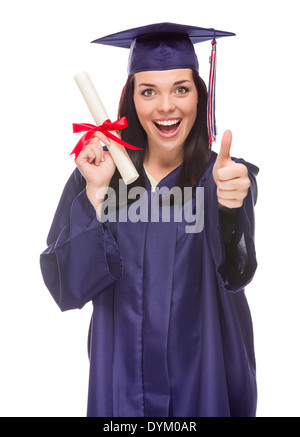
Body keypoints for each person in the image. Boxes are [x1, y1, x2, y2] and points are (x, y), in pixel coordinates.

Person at [40, 23, 259, 417]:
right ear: (130, 100)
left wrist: (230, 210)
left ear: (199, 96)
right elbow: (67, 287)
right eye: (148, 92)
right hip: (121, 389)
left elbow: (237, 271)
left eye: (181, 89)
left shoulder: (225, 178)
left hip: (203, 385)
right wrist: (94, 194)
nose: (165, 107)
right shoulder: (99, 175)